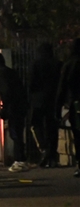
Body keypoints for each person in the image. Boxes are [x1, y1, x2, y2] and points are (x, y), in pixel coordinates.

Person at [0, 52, 29, 172]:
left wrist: (4, 108)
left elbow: (6, 92)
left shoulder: (1, 73)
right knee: (17, 132)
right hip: (20, 106)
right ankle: (20, 159)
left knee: (15, 133)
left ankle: (19, 160)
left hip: (14, 107)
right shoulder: (10, 71)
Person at [29, 42, 63, 168]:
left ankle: (44, 149)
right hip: (53, 99)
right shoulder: (58, 64)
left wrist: (31, 96)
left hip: (38, 99)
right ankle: (52, 156)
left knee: (35, 124)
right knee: (52, 127)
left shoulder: (36, 63)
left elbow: (32, 82)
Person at [55, 38, 80, 178]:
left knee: (78, 134)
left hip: (75, 104)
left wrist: (58, 108)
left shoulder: (69, 64)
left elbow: (62, 87)